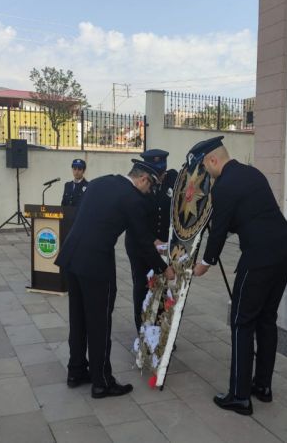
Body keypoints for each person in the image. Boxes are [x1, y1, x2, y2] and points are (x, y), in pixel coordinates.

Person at [191, 136, 287, 416]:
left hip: (259, 257)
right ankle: (262, 386)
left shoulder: (224, 185)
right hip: (285, 250)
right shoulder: (251, 173)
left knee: (241, 320)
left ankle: (239, 396)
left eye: (205, 167)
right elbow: (250, 215)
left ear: (213, 160)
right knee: (266, 319)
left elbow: (219, 230)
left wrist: (205, 262)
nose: (206, 174)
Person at [55, 159, 176, 399]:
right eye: (150, 186)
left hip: (71, 257)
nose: (149, 192)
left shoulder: (101, 182)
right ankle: (102, 382)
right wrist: (164, 269)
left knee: (78, 319)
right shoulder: (132, 199)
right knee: (100, 324)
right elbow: (142, 242)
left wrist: (150, 241)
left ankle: (76, 371)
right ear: (142, 179)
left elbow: (101, 218)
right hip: (96, 265)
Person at [125, 148, 179, 333]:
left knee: (164, 287)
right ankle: (142, 330)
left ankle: (159, 331)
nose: (161, 176)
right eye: (158, 173)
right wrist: (152, 240)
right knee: (142, 286)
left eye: (163, 172)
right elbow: (135, 224)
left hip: (163, 246)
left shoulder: (172, 180)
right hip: (139, 245)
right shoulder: (137, 186)